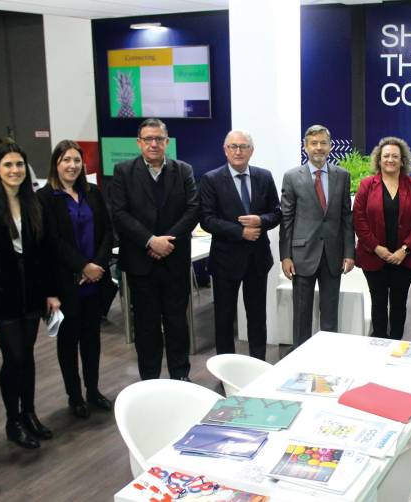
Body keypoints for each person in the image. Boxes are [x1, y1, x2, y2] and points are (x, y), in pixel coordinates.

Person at [0, 143, 59, 450]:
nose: (15, 170)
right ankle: (12, 420)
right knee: (15, 357)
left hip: (31, 291)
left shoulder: (34, 204)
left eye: (19, 164)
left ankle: (30, 413)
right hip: (1, 294)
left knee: (28, 357)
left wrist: (51, 291)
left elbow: (45, 253)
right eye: (8, 165)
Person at [110, 118, 200, 380]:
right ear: (139, 143)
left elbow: (193, 209)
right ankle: (149, 380)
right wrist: (150, 240)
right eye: (148, 139)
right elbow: (119, 213)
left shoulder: (183, 170)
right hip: (141, 263)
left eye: (158, 139)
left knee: (176, 323)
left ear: (167, 142)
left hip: (174, 260)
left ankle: (180, 376)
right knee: (146, 326)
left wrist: (166, 242)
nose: (153, 144)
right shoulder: (123, 171)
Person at [37, 140, 114, 418]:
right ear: (56, 164)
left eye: (77, 161)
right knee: (68, 343)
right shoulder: (45, 198)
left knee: (92, 340)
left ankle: (93, 391)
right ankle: (75, 395)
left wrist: (97, 265)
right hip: (66, 283)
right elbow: (51, 242)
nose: (72, 165)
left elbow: (107, 232)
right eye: (66, 160)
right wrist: (83, 266)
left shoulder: (92, 192)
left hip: (95, 282)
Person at [200, 130, 281, 360]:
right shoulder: (211, 179)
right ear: (225, 150)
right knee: (224, 319)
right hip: (225, 261)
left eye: (243, 146)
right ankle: (226, 370)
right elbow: (206, 219)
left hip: (257, 260)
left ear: (251, 151)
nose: (238, 151)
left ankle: (258, 364)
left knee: (257, 317)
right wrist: (240, 232)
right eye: (233, 146)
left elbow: (276, 213)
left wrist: (260, 221)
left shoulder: (264, 177)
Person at [279, 124, 355, 347]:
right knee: (301, 315)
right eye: (314, 143)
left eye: (323, 143)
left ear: (331, 147)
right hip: (301, 255)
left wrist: (350, 252)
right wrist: (286, 256)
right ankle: (299, 360)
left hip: (333, 254)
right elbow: (287, 219)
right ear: (305, 147)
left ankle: (328, 357)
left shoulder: (342, 176)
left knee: (330, 315)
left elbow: (346, 217)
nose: (319, 148)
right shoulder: (292, 177)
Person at [353, 136, 411, 340]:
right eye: (386, 156)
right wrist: (377, 247)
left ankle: (395, 346)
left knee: (398, 305)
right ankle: (378, 344)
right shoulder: (367, 185)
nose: (390, 160)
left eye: (395, 156)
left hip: (404, 259)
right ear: (379, 159)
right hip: (373, 257)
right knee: (378, 304)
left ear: (402, 160)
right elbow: (359, 219)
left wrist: (405, 249)